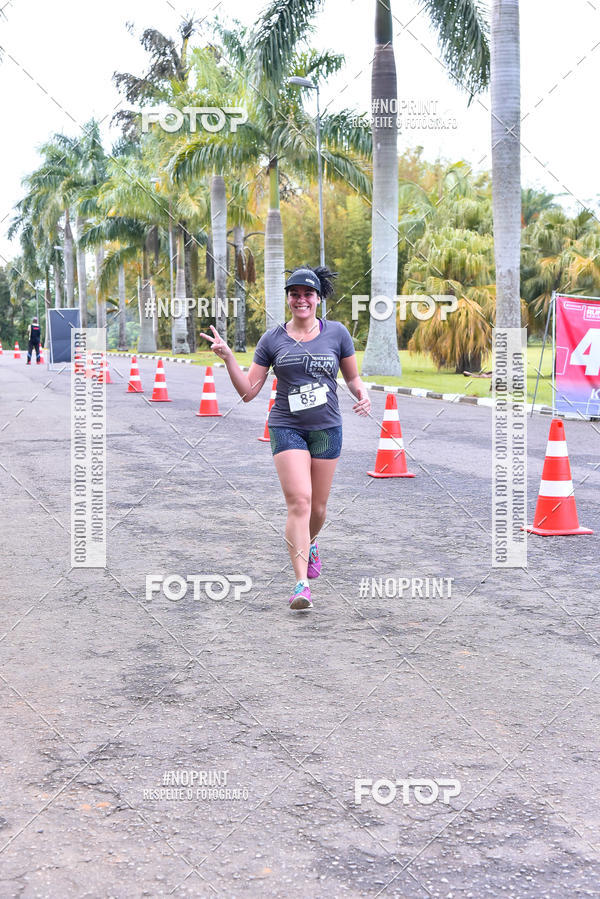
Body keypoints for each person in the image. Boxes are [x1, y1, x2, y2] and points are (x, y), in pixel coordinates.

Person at [200, 265, 371, 611]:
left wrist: (361, 394)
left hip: (327, 428)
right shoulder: (272, 339)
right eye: (295, 294)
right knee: (300, 502)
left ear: (318, 298)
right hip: (285, 426)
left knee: (319, 509)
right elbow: (249, 392)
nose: (301, 299)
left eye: (308, 294)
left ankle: (311, 543)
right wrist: (229, 358)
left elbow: (352, 378)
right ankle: (301, 584)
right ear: (288, 299)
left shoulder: (337, 333)